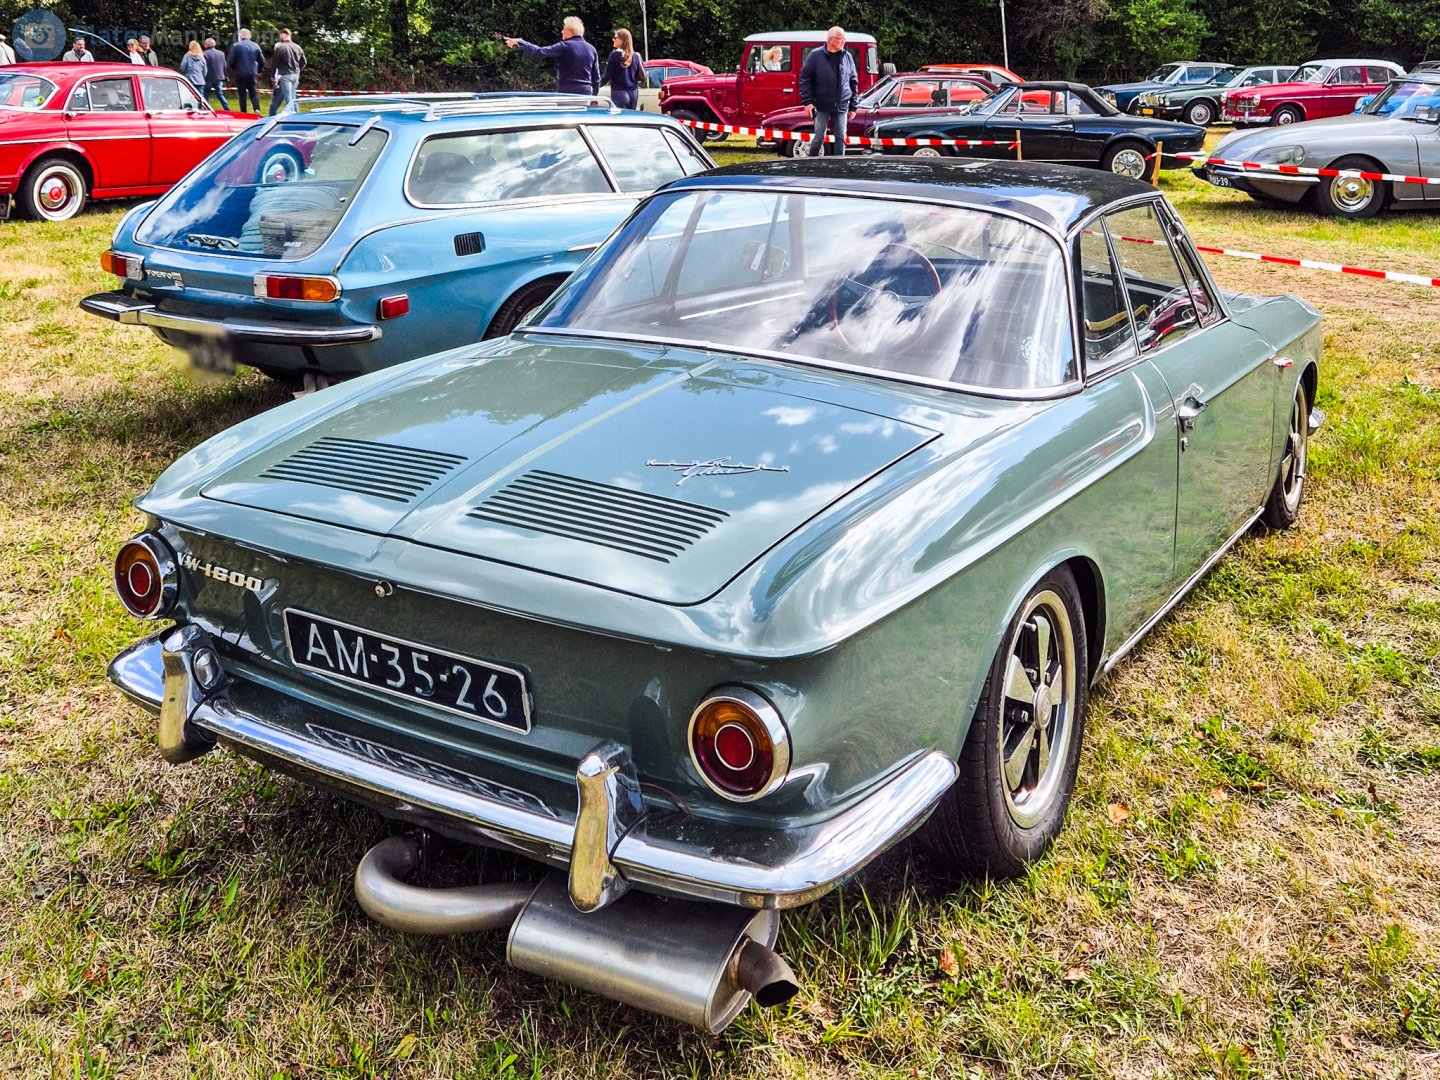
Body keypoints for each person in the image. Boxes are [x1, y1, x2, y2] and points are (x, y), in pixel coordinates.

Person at [799, 27, 858, 157]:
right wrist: (807, 102)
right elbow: (804, 79)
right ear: (831, 40)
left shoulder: (847, 56)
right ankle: (812, 161)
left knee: (841, 136)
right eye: (841, 39)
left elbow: (853, 82)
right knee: (819, 136)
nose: (844, 41)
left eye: (844, 39)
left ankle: (839, 164)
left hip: (841, 105)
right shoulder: (815, 55)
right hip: (821, 104)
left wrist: (853, 106)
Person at [504, 17, 600, 96]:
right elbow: (596, 78)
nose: (562, 31)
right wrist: (594, 96)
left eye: (564, 29)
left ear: (571, 31)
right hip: (585, 92)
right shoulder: (592, 49)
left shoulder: (564, 46)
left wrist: (520, 42)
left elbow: (540, 51)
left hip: (567, 92)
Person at [268, 28, 307, 115]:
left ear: (283, 35)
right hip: (295, 74)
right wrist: (298, 70)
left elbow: (275, 63)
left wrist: (272, 75)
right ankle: (297, 115)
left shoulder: (280, 47)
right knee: (293, 96)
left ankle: (292, 115)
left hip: (285, 74)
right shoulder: (297, 47)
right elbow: (304, 62)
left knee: (288, 98)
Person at [600, 28, 640, 109]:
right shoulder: (636, 56)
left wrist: (595, 85)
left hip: (619, 92)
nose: (613, 40)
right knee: (631, 116)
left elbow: (606, 77)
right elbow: (642, 76)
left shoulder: (614, 55)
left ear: (622, 40)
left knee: (620, 116)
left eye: (615, 38)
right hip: (634, 93)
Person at [227, 28, 265, 113]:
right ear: (250, 36)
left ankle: (243, 112)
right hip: (252, 73)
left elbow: (230, 61)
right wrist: (259, 70)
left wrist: (233, 69)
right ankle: (257, 109)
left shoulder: (236, 46)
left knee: (242, 94)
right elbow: (262, 61)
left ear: (240, 36)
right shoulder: (256, 46)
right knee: (253, 93)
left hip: (240, 73)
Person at [202, 37, 229, 109]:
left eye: (205, 44)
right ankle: (226, 107)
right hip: (219, 77)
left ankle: (206, 108)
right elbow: (224, 66)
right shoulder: (221, 53)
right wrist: (225, 76)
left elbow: (203, 66)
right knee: (220, 94)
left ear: (207, 45)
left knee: (206, 94)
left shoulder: (204, 54)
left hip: (208, 77)